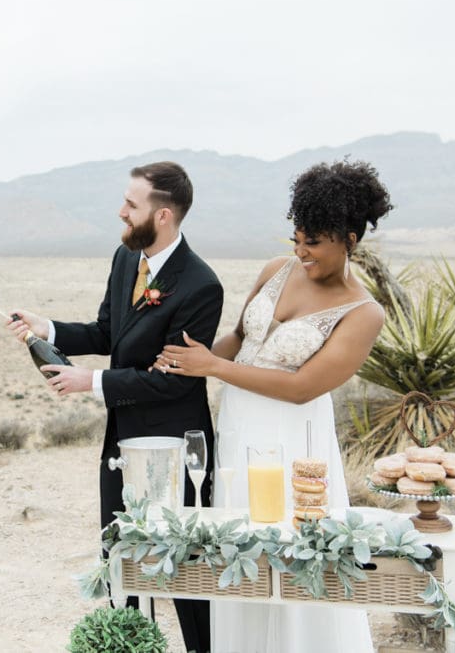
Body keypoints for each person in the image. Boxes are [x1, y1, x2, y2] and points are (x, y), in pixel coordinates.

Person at [154, 158, 392, 653]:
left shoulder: (364, 312)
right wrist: (180, 360)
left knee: (293, 557)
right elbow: (240, 340)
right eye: (297, 239)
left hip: (294, 442)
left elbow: (304, 386)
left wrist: (213, 369)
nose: (302, 252)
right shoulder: (274, 270)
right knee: (238, 551)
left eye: (315, 242)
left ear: (349, 238)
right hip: (239, 430)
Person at [9, 161, 223, 653]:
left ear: (163, 215)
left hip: (175, 450)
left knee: (186, 573)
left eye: (131, 204)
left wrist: (92, 382)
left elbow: (172, 380)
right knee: (120, 561)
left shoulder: (201, 286)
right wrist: (50, 329)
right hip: (121, 444)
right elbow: (108, 333)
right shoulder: (126, 260)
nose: (120, 212)